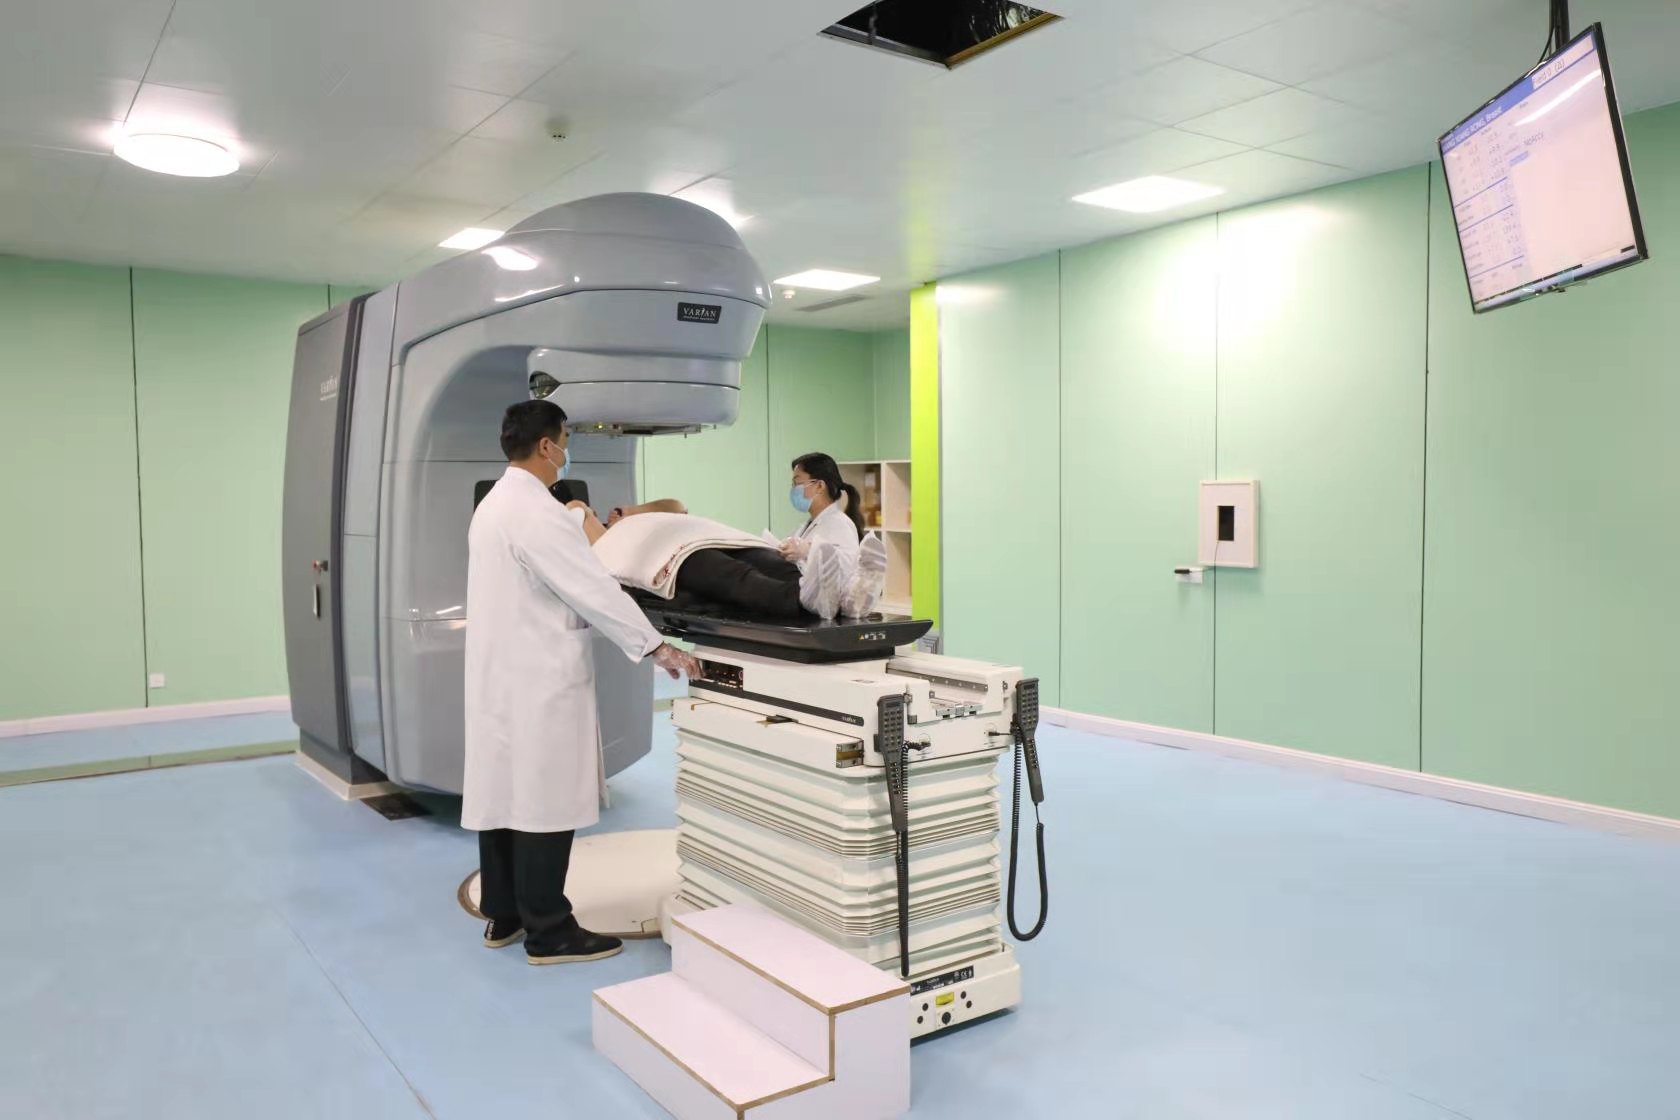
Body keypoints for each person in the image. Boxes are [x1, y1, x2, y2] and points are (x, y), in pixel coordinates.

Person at [464, 400, 701, 966]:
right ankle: (550, 931)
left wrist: (578, 519)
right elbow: (592, 588)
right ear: (547, 446)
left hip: (502, 677)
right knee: (543, 801)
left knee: (505, 796)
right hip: (540, 679)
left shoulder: (495, 505)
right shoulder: (536, 511)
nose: (567, 450)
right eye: (566, 439)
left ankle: (506, 914)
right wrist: (656, 646)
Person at [578, 505, 888, 622]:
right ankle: (800, 599)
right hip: (663, 554)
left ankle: (848, 598)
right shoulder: (607, 540)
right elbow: (583, 517)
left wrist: (629, 511)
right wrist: (615, 525)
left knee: (767, 557)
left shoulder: (633, 518)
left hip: (694, 535)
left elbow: (675, 506)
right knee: (733, 575)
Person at [779, 453, 866, 569]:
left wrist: (809, 551)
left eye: (797, 483)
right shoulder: (806, 526)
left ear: (819, 486)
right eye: (793, 484)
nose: (793, 489)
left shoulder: (840, 524)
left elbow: (845, 567)